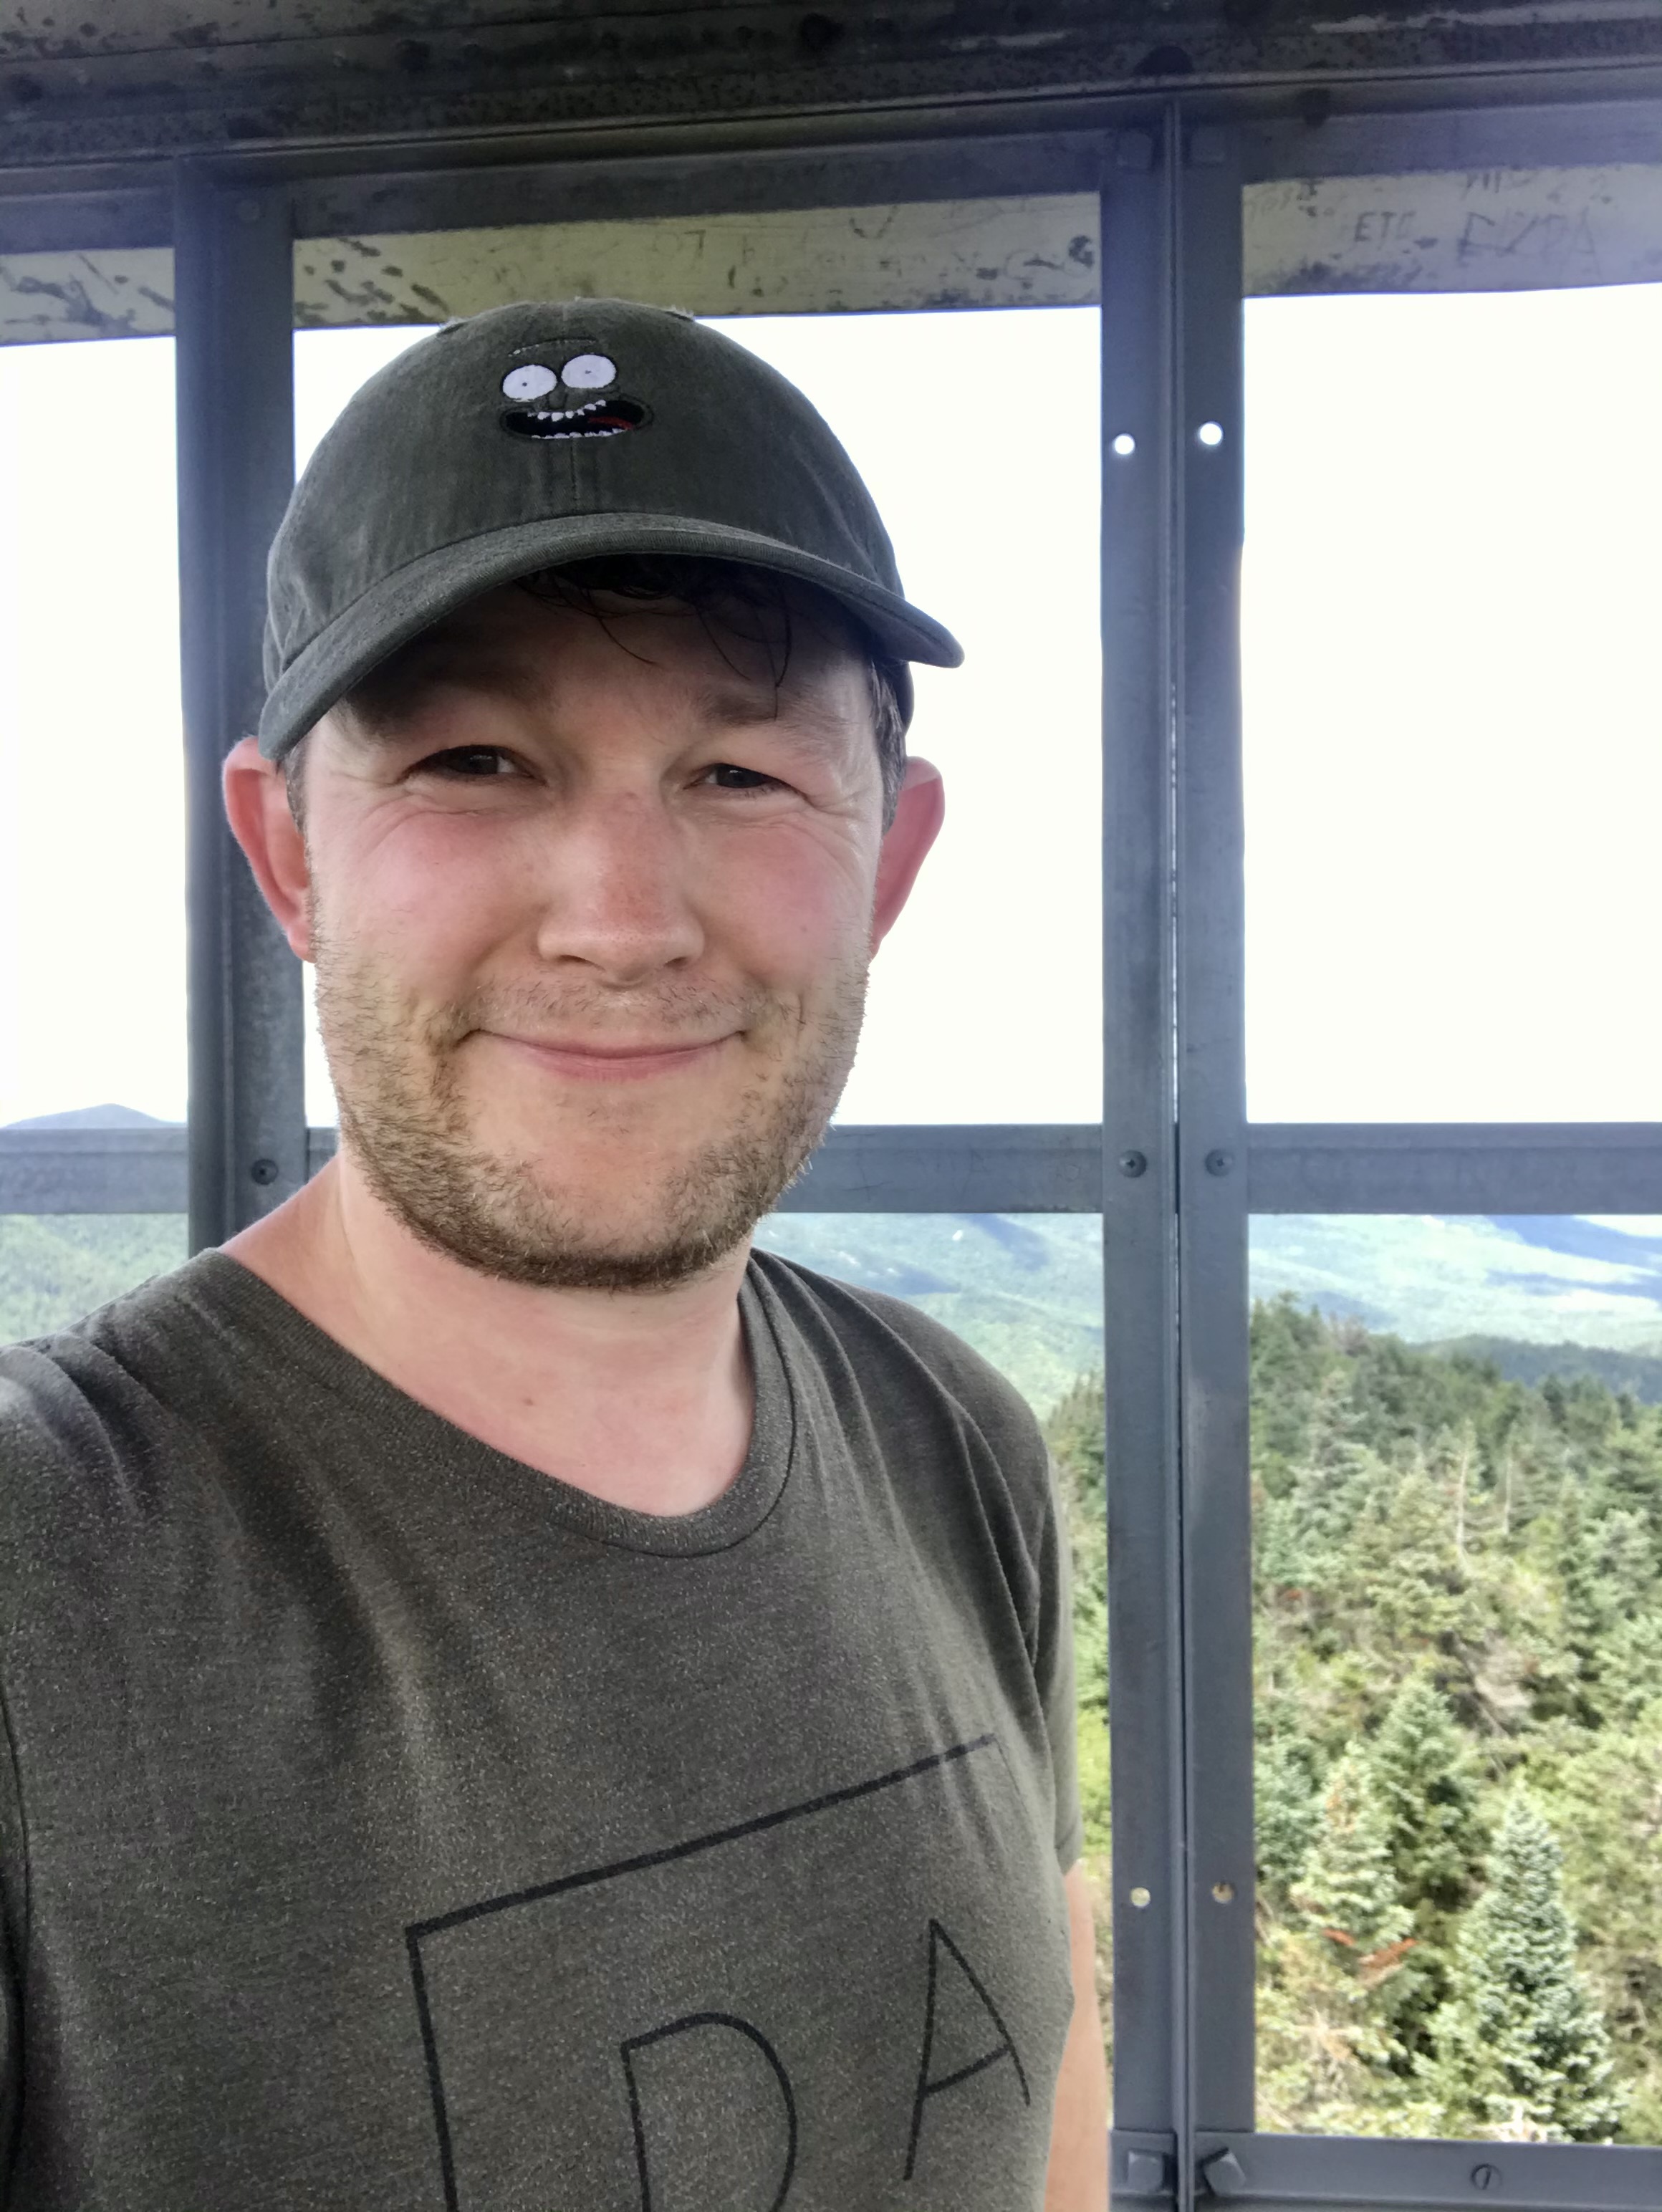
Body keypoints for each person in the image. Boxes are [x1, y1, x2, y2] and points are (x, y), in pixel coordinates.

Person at [0, 298, 1108, 2209]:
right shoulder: (45, 1575)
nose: (617, 918)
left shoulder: (959, 1452)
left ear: (891, 861)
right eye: (475, 764)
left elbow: (1053, 2077)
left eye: (742, 777)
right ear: (289, 861)